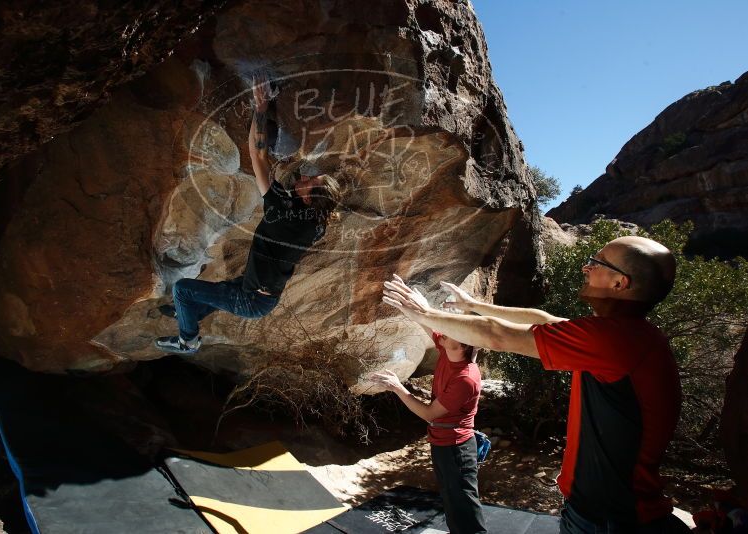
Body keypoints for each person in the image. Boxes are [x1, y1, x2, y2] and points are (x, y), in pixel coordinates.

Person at [382, 236, 692, 533]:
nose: (586, 268)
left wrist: (425, 313)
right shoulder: (630, 335)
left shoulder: (616, 340)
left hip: (608, 517)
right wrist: (473, 305)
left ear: (619, 283)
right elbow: (540, 318)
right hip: (608, 511)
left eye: (595, 262)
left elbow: (497, 335)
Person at [155, 76, 342, 355]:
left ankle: (188, 340)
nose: (303, 176)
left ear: (307, 198)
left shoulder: (284, 213)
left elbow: (258, 155)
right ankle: (187, 312)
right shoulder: (315, 222)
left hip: (252, 300)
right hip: (260, 293)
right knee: (216, 292)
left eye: (308, 181)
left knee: (182, 288)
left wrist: (261, 107)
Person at [370, 277, 487, 534]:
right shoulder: (449, 347)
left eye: (449, 329)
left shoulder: (466, 378)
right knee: (451, 500)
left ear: (463, 342)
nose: (442, 331)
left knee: (464, 505)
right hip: (442, 443)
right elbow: (427, 322)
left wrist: (397, 387)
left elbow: (429, 414)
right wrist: (408, 306)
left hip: (456, 448)